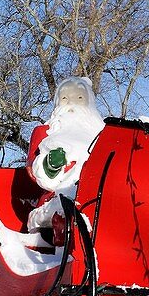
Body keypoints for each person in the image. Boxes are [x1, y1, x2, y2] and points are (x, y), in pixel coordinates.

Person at [26, 77, 105, 245]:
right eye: (65, 98)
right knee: (65, 208)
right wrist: (50, 165)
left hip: (99, 194)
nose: (72, 105)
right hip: (57, 195)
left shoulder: (103, 135)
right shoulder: (45, 132)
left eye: (79, 98)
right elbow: (33, 172)